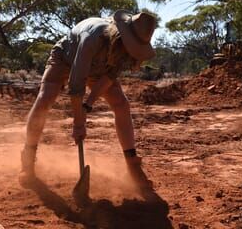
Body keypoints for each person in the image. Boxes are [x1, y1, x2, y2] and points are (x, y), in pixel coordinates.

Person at [19, 10, 157, 198]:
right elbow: (76, 85)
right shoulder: (93, 38)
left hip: (99, 68)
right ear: (123, 36)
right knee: (46, 98)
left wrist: (88, 105)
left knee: (121, 104)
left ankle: (133, 165)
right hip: (66, 57)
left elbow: (109, 76)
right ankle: (27, 160)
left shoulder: (124, 51)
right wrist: (78, 123)